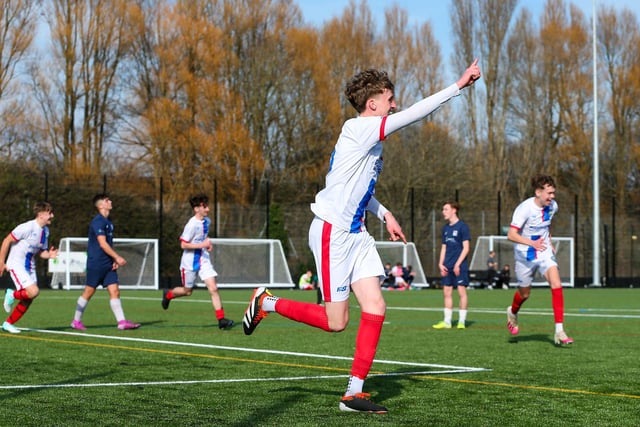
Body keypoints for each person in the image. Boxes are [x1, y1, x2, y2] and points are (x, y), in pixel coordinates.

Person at [242, 59, 481, 413]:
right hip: (332, 233)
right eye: (389, 99)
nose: (394, 104)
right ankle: (267, 302)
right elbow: (414, 114)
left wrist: (384, 214)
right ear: (373, 105)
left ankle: (353, 393)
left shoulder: (367, 139)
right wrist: (458, 86)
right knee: (335, 322)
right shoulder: (359, 129)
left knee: (376, 306)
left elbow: (359, 191)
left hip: (356, 234)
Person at [506, 174, 573, 345]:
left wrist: (548, 241)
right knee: (525, 293)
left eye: (553, 193)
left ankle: (559, 330)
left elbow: (547, 224)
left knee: (556, 283)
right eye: (549, 193)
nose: (552, 197)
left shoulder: (553, 206)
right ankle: (512, 312)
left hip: (543, 251)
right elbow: (511, 235)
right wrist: (531, 243)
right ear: (538, 192)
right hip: (524, 254)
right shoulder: (524, 208)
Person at [161, 193, 234, 330]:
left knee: (213, 288)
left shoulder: (207, 221)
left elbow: (203, 238)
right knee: (187, 291)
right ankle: (168, 294)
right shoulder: (191, 225)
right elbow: (183, 245)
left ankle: (221, 320)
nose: (208, 209)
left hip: (204, 259)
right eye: (204, 207)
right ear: (196, 209)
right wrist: (202, 245)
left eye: (207, 206)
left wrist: (208, 243)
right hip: (189, 262)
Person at [70, 194, 140, 330]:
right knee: (89, 292)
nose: (110, 201)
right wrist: (118, 257)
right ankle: (76, 321)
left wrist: (113, 259)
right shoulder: (98, 222)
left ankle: (122, 322)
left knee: (115, 291)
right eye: (107, 200)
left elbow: (108, 244)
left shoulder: (109, 222)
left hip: (108, 264)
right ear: (100, 205)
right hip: (96, 263)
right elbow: (102, 243)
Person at [1, 202, 58, 334]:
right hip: (16, 264)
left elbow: (41, 252)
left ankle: (8, 324)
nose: (52, 215)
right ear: (41, 214)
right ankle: (11, 294)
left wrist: (49, 255)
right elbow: (7, 240)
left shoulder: (46, 231)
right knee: (33, 291)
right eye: (50, 213)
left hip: (29, 266)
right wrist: (1, 262)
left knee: (29, 298)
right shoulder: (27, 227)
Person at [433, 201, 470, 330]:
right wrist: (440, 263)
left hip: (459, 266)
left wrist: (457, 264)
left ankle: (461, 321)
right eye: (443, 209)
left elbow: (466, 248)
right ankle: (447, 322)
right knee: (447, 292)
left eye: (446, 209)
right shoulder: (446, 228)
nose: (444, 212)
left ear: (454, 210)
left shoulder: (462, 227)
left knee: (461, 292)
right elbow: (444, 247)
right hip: (447, 266)